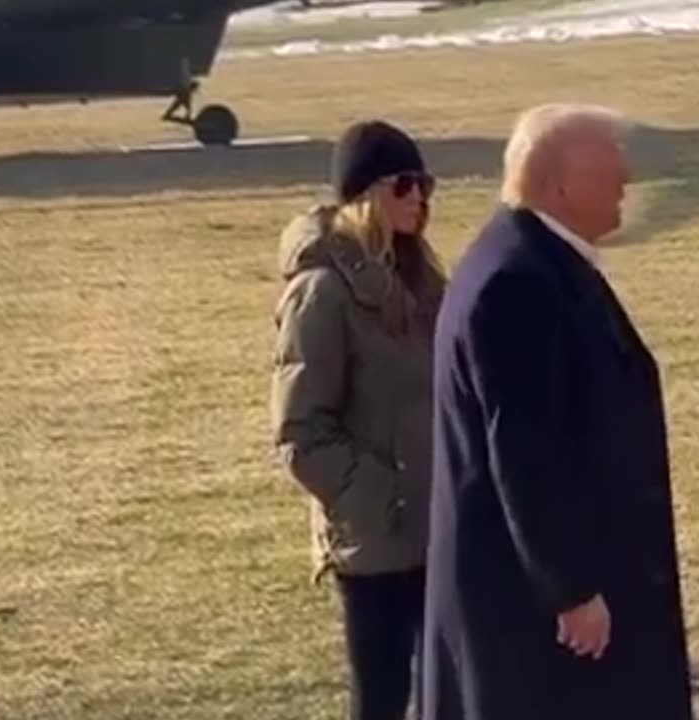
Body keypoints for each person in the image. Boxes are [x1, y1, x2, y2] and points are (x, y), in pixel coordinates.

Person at [421, 102, 694, 720]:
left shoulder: (542, 258)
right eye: (610, 168)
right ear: (558, 184)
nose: (627, 180)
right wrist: (570, 587)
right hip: (540, 622)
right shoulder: (515, 283)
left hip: (566, 599)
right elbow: (522, 452)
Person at [270, 119, 446, 720]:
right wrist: (378, 496)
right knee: (382, 700)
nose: (419, 198)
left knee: (447, 693)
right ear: (366, 193)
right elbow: (301, 430)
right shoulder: (320, 291)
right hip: (377, 538)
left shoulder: (421, 279)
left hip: (438, 525)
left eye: (425, 184)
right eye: (404, 185)